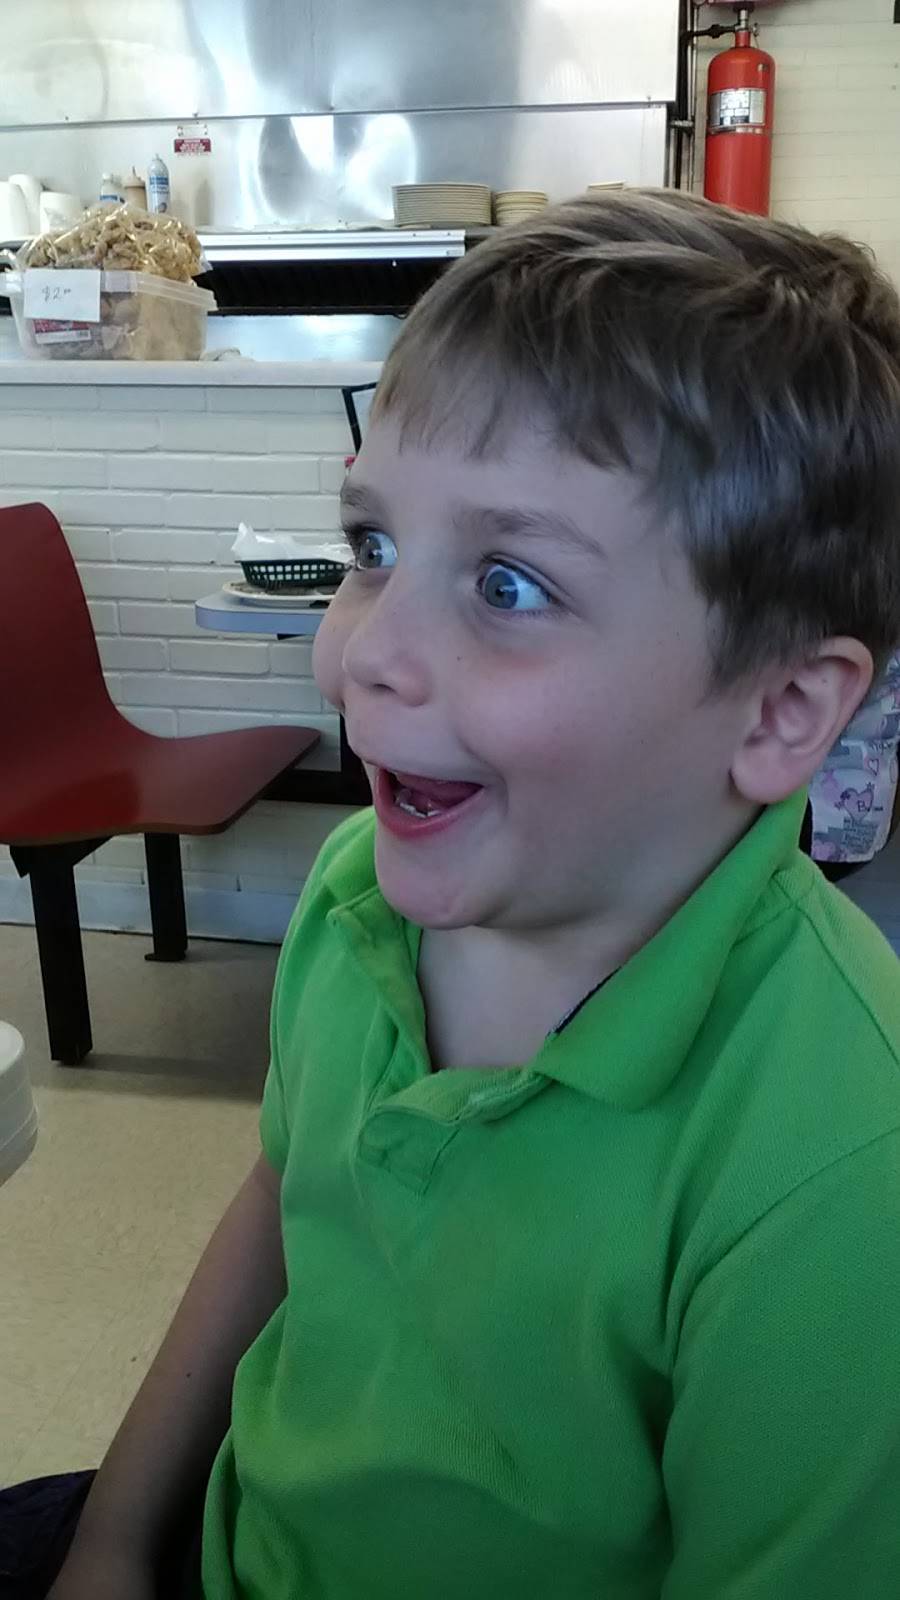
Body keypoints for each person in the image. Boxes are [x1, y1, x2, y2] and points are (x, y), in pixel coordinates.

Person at [9, 189, 900, 1599]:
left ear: (784, 708)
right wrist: (113, 1546)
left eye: (509, 585)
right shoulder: (356, 894)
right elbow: (285, 1199)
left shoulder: (840, 1170)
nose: (359, 655)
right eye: (372, 547)